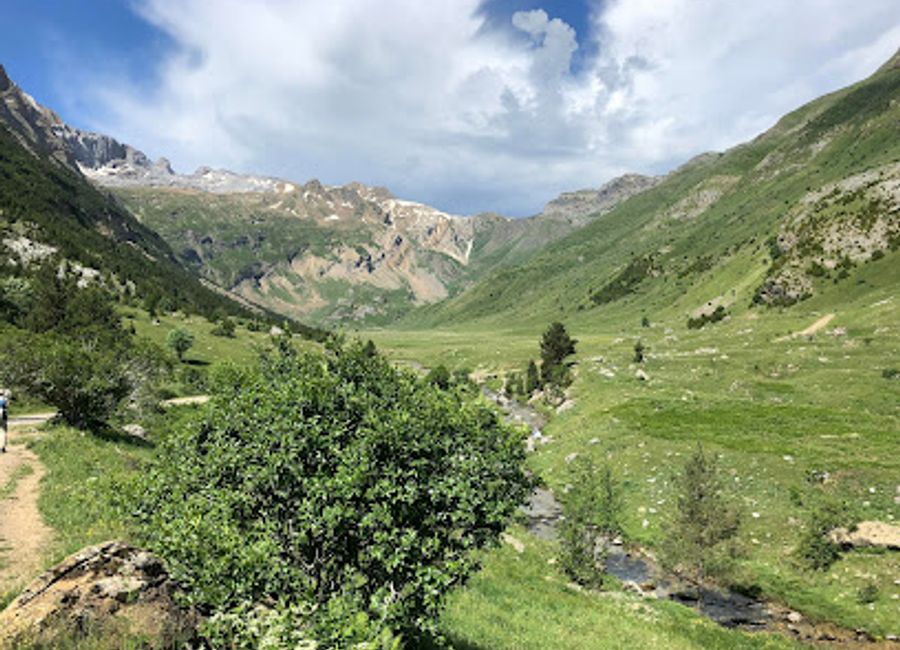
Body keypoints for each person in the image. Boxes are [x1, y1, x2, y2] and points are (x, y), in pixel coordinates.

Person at [0, 389, 9, 453]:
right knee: (3, 431)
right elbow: (7, 406)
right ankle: (2, 447)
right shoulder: (4, 399)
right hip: (3, 417)